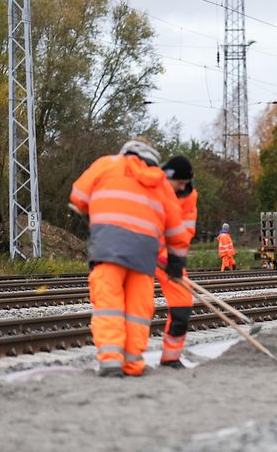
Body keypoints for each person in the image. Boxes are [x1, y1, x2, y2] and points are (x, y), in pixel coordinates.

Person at [70, 140, 191, 378]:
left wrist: (94, 209)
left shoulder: (106, 164)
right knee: (137, 311)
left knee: (109, 307)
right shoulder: (161, 183)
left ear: (127, 152)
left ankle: (111, 363)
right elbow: (177, 232)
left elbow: (78, 197)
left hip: (107, 250)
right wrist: (177, 264)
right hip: (144, 257)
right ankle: (133, 364)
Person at [155, 155, 198, 369]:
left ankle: (171, 358)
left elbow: (185, 231)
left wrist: (175, 259)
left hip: (169, 257)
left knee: (183, 304)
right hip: (142, 252)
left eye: (186, 182)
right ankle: (125, 360)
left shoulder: (190, 196)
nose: (183, 186)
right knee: (137, 307)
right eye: (179, 182)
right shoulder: (151, 187)